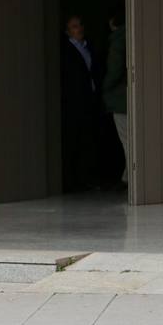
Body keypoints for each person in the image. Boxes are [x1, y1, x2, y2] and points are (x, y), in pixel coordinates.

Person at [60, 14, 100, 192]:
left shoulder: (89, 47)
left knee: (88, 141)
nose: (79, 29)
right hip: (75, 104)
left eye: (80, 25)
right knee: (73, 143)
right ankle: (72, 181)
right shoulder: (66, 50)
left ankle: (86, 179)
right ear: (68, 31)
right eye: (75, 26)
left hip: (89, 101)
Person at [102, 11, 128, 185]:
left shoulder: (118, 40)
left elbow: (115, 69)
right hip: (129, 97)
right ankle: (127, 177)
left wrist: (104, 88)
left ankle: (130, 179)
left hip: (120, 100)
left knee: (127, 140)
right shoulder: (131, 35)